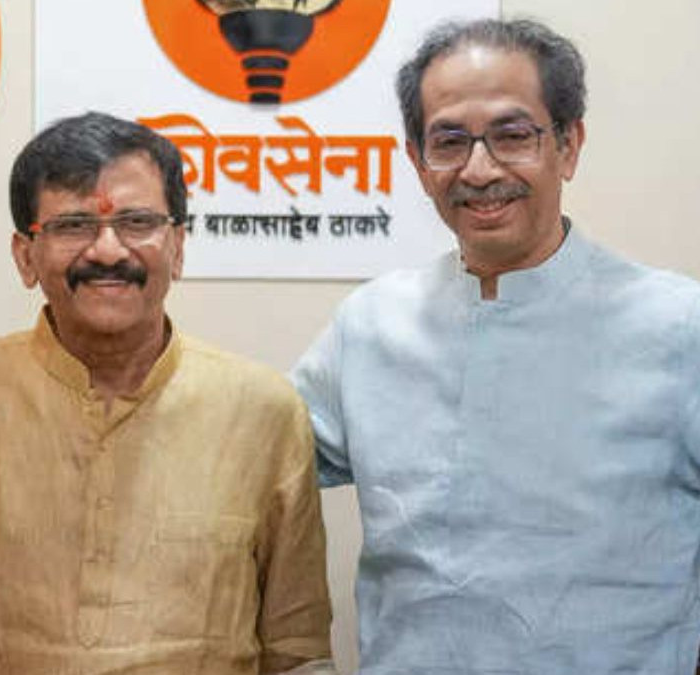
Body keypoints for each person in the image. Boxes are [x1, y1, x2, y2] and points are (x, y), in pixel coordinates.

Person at [288, 18, 700, 674]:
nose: (479, 170)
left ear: (568, 145)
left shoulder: (679, 325)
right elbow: (254, 461)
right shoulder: (370, 324)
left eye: (512, 135)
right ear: (418, 162)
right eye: (449, 141)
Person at [0, 112, 334, 674]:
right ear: (26, 256)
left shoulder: (264, 412)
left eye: (137, 222)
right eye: (73, 225)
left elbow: (297, 653)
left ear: (178, 247)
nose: (107, 251)